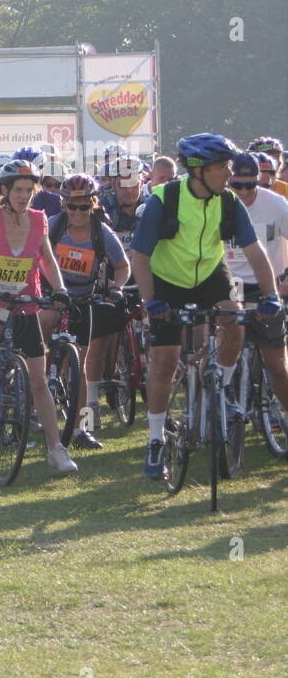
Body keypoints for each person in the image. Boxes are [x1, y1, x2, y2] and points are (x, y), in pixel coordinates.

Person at [129, 134, 279, 480]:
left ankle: (221, 387)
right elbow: (141, 255)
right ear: (198, 170)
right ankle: (155, 439)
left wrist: (271, 296)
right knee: (164, 361)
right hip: (166, 280)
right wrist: (151, 301)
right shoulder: (163, 199)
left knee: (233, 318)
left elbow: (255, 253)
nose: (229, 173)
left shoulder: (227, 201)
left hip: (211, 274)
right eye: (222, 167)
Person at [0, 160, 80, 474]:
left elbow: (47, 259)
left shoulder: (39, 220)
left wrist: (59, 288)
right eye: (18, 190)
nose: (24, 196)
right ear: (4, 191)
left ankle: (55, 448)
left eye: (29, 190)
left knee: (38, 380)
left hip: (25, 305)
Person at [38, 174, 131, 449]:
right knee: (44, 324)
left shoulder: (101, 232)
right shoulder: (53, 227)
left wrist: (117, 287)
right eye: (71, 206)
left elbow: (123, 265)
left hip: (84, 299)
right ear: (63, 205)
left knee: (81, 367)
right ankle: (40, 380)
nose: (77, 213)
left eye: (83, 207)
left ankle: (80, 430)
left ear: (93, 205)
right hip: (51, 295)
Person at [217, 152, 288, 422]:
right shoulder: (216, 203)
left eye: (251, 185)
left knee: (277, 365)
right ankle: (215, 399)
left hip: (266, 284)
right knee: (221, 350)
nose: (245, 192)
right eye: (238, 185)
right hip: (230, 283)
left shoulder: (276, 204)